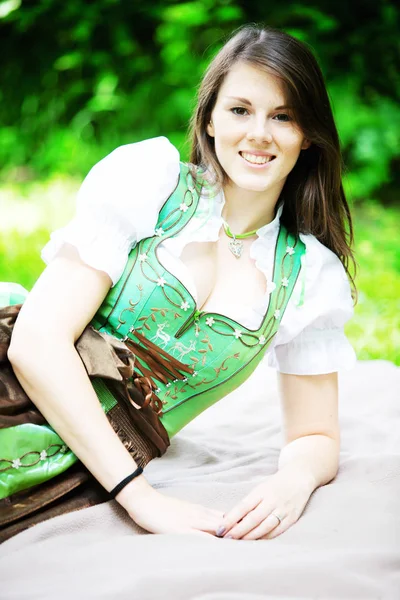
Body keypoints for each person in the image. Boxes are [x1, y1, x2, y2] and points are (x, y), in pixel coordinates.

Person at [0, 24, 356, 543]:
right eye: (240, 110)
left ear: (307, 136)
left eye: (283, 116)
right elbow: (36, 344)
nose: (259, 132)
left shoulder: (308, 275)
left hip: (80, 469)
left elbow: (315, 433)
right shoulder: (150, 183)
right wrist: (140, 498)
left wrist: (292, 481)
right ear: (210, 119)